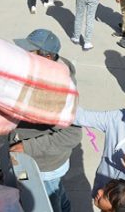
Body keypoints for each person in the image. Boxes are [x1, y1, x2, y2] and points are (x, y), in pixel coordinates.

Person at [11, 29, 82, 212]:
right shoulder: (40, 71)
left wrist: (27, 147)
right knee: (59, 195)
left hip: (44, 165)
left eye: (30, 52)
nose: (23, 55)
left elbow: (72, 135)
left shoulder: (57, 91)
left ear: (48, 57)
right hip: (41, 160)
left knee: (48, 203)